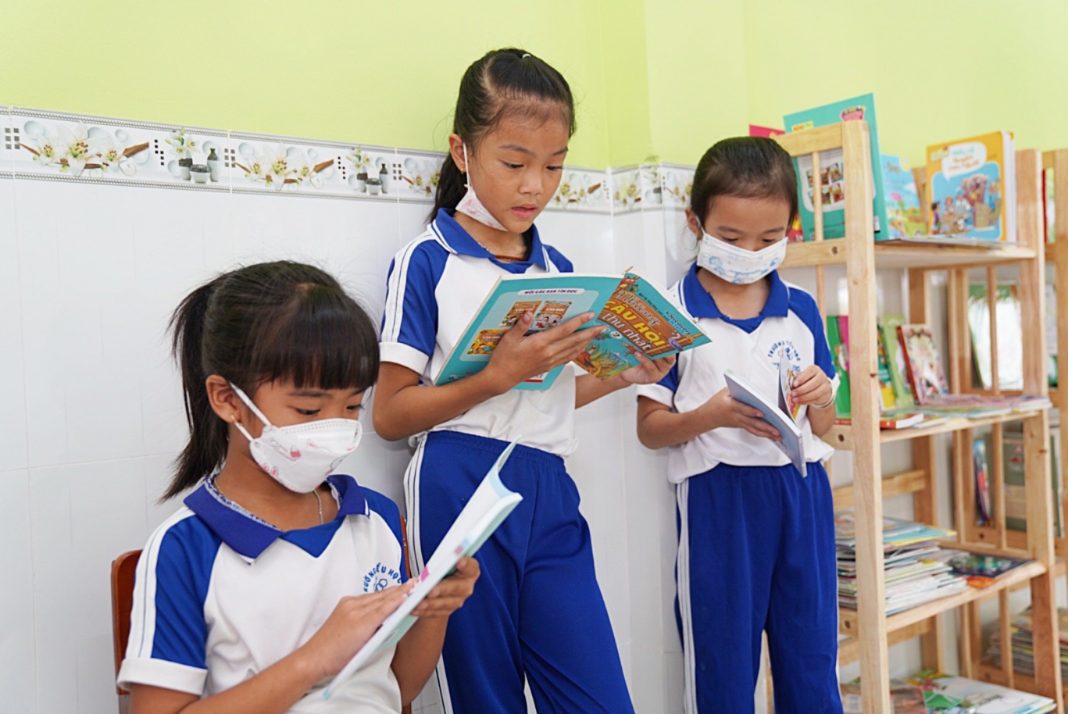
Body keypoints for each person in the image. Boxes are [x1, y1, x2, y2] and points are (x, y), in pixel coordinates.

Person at [373, 48, 671, 713]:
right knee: (486, 699)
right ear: (462, 151)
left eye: (554, 165)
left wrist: (623, 375)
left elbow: (549, 390)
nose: (535, 185)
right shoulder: (426, 262)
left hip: (549, 488)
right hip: (457, 481)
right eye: (514, 163)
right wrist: (495, 376)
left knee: (598, 698)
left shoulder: (558, 270)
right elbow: (390, 415)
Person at [118, 260, 478, 713]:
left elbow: (398, 689)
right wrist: (312, 660)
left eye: (351, 406)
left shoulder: (377, 520)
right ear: (228, 400)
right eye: (308, 411)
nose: (334, 428)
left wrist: (435, 608)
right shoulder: (185, 549)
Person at [636, 138, 843, 713]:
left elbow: (824, 424)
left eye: (769, 238)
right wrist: (712, 416)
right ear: (695, 223)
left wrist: (822, 394)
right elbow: (650, 428)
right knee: (722, 666)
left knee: (811, 656)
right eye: (730, 238)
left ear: (790, 229)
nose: (750, 251)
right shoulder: (669, 309)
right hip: (719, 501)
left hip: (800, 493)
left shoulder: (801, 308)